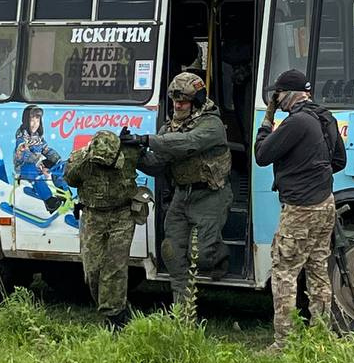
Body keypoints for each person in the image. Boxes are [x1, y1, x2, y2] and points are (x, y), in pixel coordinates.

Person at [254, 68, 347, 353]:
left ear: (290, 93)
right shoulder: (324, 117)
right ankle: (320, 335)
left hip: (301, 209)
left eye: (278, 94)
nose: (276, 100)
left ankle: (284, 342)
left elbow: (261, 155)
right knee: (318, 270)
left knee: (284, 273)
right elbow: (339, 161)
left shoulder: (295, 123)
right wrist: (314, 174)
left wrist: (267, 120)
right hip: (325, 204)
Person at [122, 72, 232, 311]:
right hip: (182, 195)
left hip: (210, 194)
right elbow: (157, 164)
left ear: (197, 102)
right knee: (171, 251)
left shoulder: (211, 124)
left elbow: (189, 142)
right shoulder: (169, 128)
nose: (177, 105)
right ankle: (182, 309)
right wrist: (134, 152)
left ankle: (219, 257)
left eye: (183, 101)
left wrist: (147, 139)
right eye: (174, 100)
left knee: (203, 255)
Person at [64, 129, 144, 330]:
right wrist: (83, 161)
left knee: (115, 268)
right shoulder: (82, 159)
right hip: (93, 216)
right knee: (93, 269)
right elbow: (70, 179)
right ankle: (115, 307)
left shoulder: (131, 154)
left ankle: (115, 317)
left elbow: (155, 164)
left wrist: (141, 142)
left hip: (122, 215)